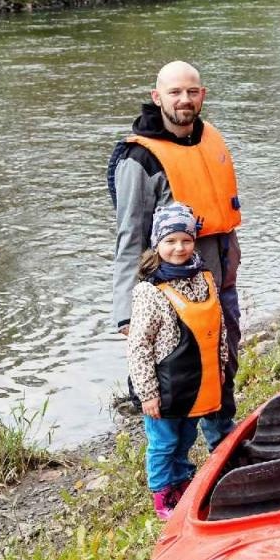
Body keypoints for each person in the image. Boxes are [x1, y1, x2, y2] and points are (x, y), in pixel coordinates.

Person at [108, 60, 242, 444]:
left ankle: (224, 441)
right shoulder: (140, 159)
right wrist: (124, 313)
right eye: (175, 92)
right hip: (169, 297)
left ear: (202, 95)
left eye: (192, 91)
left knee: (224, 363)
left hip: (218, 281)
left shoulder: (209, 137)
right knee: (176, 377)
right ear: (157, 97)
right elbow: (129, 238)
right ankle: (172, 463)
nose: (184, 100)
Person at [126, 204, 228, 520]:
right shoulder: (149, 291)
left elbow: (219, 328)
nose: (179, 248)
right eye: (170, 241)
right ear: (157, 244)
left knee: (185, 437)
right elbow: (138, 346)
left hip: (196, 381)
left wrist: (221, 367)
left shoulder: (203, 278)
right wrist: (148, 393)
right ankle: (162, 495)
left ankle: (182, 482)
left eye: (185, 240)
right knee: (163, 443)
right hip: (164, 385)